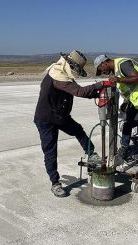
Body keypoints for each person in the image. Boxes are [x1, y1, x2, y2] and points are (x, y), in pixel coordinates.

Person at [34, 50, 103, 197]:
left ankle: (91, 153)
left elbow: (79, 91)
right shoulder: (57, 76)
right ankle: (55, 183)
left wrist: (97, 94)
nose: (76, 72)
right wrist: (101, 85)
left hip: (60, 116)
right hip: (46, 119)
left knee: (78, 130)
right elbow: (79, 91)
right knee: (51, 151)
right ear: (70, 65)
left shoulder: (63, 74)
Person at [94, 55, 138, 164]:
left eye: (101, 70)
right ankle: (124, 148)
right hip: (137, 98)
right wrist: (125, 102)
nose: (102, 73)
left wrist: (119, 79)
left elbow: (137, 78)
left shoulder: (122, 64)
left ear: (104, 63)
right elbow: (128, 87)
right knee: (128, 121)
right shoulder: (115, 71)